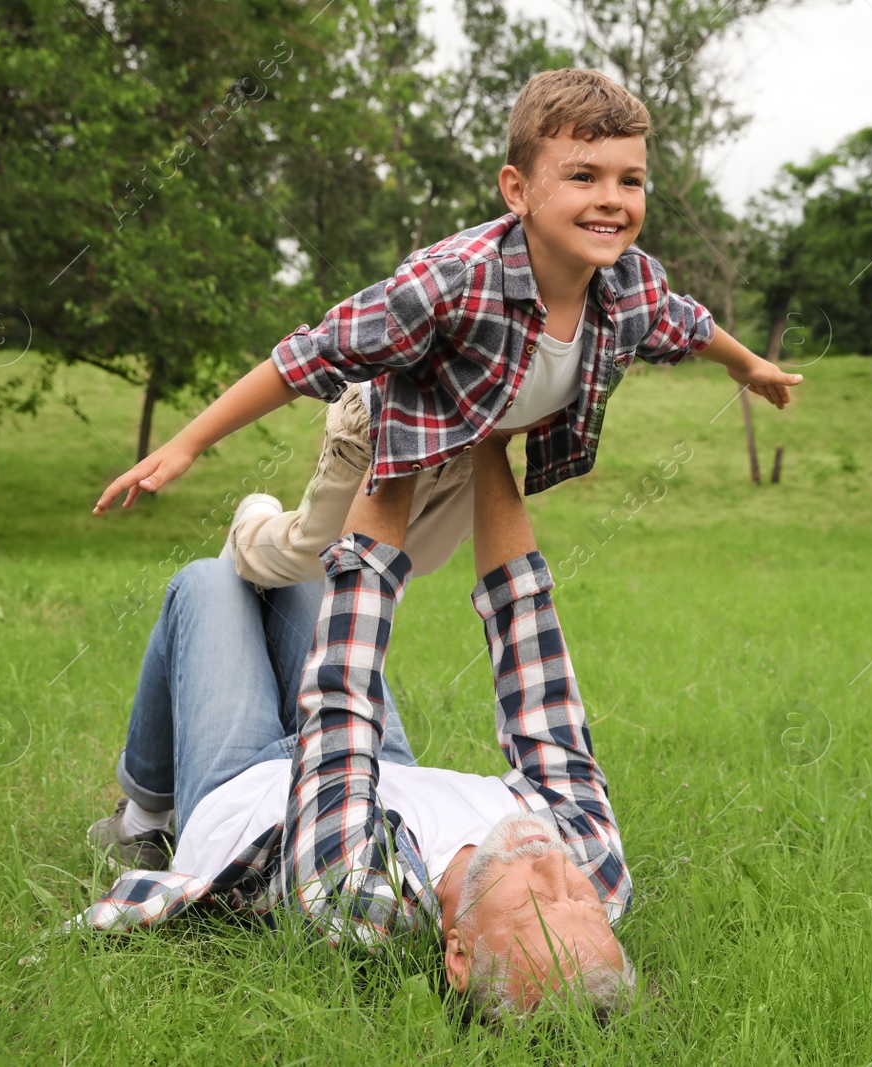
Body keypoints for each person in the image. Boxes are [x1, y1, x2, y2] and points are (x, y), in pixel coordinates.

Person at [91, 68, 802, 591]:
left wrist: (748, 368)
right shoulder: (453, 283)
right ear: (518, 190)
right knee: (312, 559)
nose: (611, 201)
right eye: (583, 176)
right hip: (380, 433)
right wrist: (184, 445)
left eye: (631, 180)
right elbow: (310, 355)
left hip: (468, 444)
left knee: (418, 564)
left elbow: (687, 322)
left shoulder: (631, 284)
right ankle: (249, 526)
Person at [80, 434, 634, 1019]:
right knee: (304, 577)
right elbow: (533, 657)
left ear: (459, 956)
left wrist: (398, 434)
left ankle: (141, 819)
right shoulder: (595, 865)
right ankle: (260, 551)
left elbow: (342, 697)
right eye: (584, 902)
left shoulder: (359, 907)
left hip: (246, 788)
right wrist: (491, 442)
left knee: (204, 583)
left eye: (535, 906)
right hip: (379, 764)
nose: (554, 864)